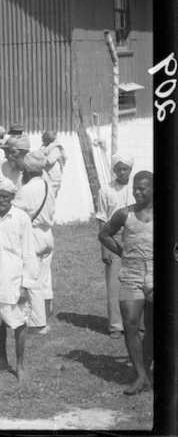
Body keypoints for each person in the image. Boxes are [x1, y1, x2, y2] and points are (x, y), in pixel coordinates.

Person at [0, 178, 39, 383]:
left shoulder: (21, 218)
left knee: (18, 322)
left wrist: (26, 285)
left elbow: (29, 252)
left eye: (5, 196)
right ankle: (3, 361)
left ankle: (20, 365)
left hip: (13, 279)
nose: (1, 200)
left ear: (12, 197)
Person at [98, 171, 153, 395]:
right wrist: (123, 253)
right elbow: (104, 234)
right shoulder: (124, 214)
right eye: (135, 188)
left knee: (152, 326)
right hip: (131, 273)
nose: (137, 192)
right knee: (130, 324)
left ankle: (146, 372)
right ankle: (140, 375)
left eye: (142, 188)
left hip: (156, 273)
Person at [13, 151, 56, 334]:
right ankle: (46, 317)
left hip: (34, 234)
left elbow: (16, 213)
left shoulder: (27, 189)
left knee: (33, 278)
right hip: (48, 234)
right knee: (45, 278)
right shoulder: (49, 185)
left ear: (28, 170)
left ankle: (38, 322)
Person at [95, 153, 135, 339]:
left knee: (137, 281)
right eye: (118, 169)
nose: (121, 172)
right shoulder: (106, 190)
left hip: (136, 236)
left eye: (124, 169)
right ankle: (115, 326)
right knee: (114, 283)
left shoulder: (139, 188)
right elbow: (102, 219)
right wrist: (105, 247)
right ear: (113, 170)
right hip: (113, 236)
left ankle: (137, 323)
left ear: (130, 169)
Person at [40, 130, 66, 196]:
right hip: (45, 176)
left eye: (45, 139)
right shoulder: (44, 147)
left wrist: (38, 160)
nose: (43, 140)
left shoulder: (56, 148)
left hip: (53, 178)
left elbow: (49, 161)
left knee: (49, 197)